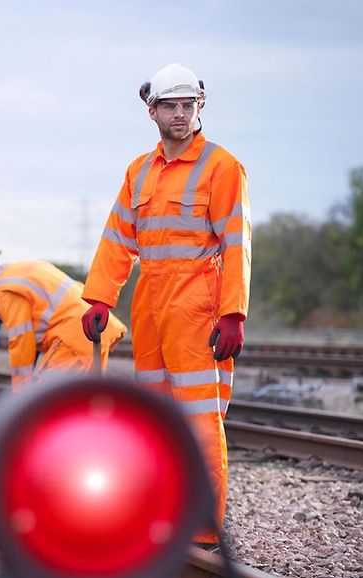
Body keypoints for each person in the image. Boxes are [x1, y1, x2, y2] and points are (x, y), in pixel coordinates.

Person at [81, 63, 251, 546]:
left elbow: (237, 243)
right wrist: (98, 297)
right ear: (150, 109)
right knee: (155, 416)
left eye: (188, 105)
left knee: (199, 416)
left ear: (200, 106)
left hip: (198, 301)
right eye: (170, 106)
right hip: (150, 302)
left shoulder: (222, 167)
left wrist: (232, 312)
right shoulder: (139, 171)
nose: (180, 115)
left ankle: (203, 524)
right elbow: (117, 239)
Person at [0, 251, 126, 390]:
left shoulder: (2, 291)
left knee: (44, 402)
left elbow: (21, 340)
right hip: (93, 329)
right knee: (83, 405)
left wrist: (21, 389)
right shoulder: (21, 269)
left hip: (73, 339)